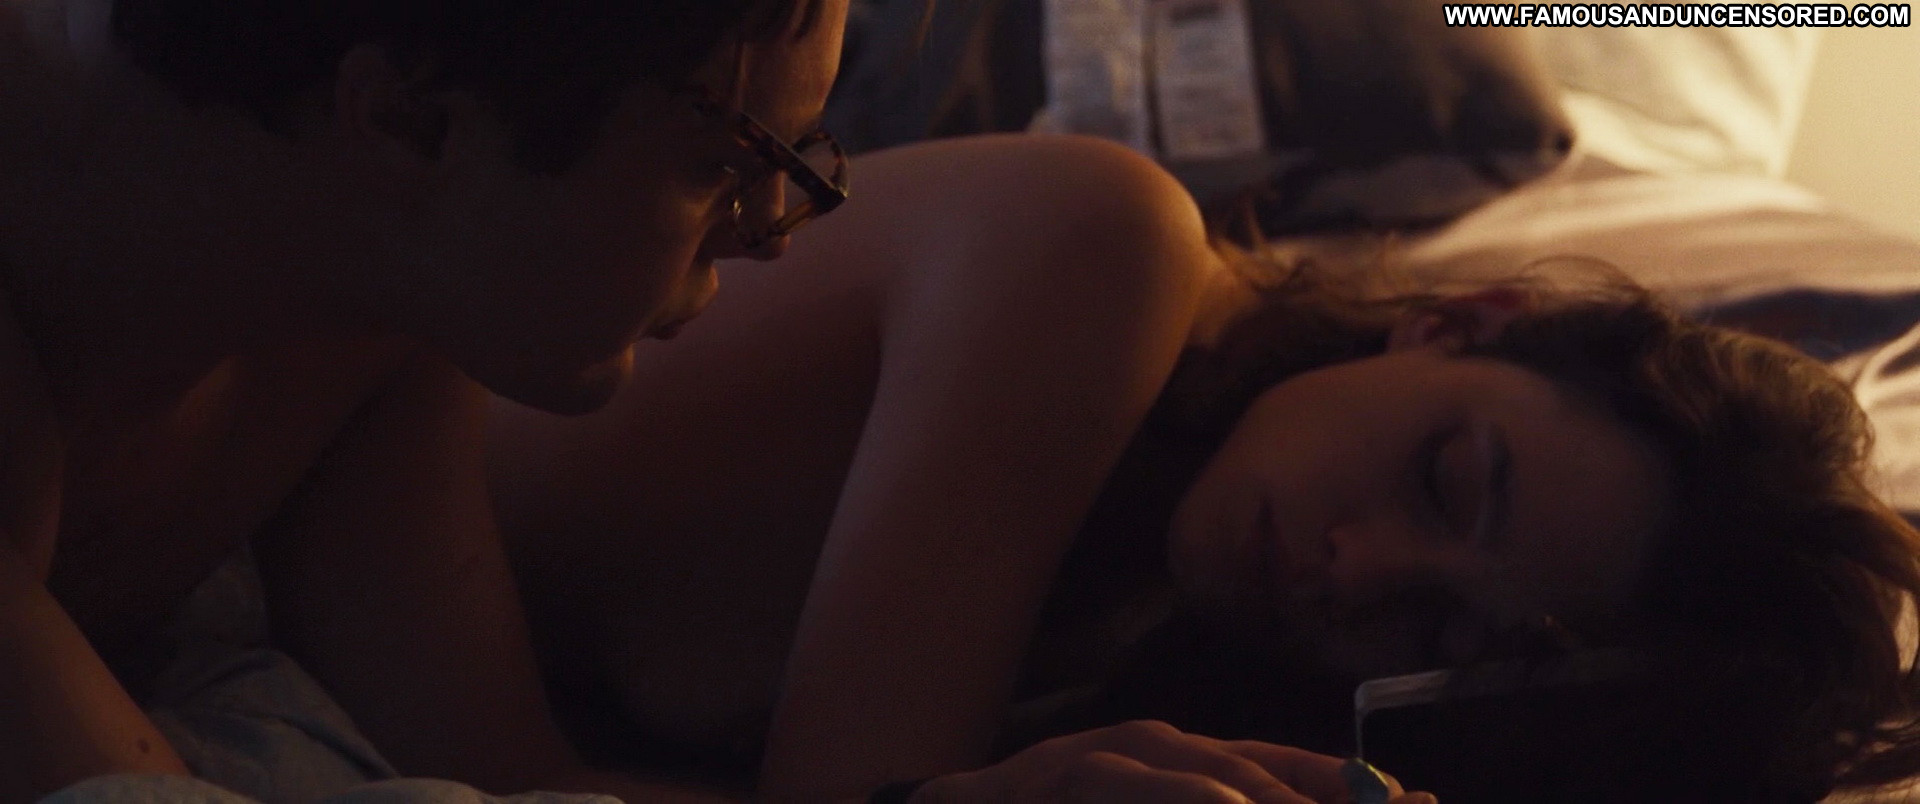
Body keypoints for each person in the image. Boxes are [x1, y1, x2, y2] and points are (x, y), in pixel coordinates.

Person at [2, 1, 1409, 801]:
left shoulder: (377, 305)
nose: (775, 232)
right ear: (413, 119)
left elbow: (513, 774)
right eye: (731, 165)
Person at [488, 133, 1920, 801]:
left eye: (1438, 634)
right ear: (1467, 318)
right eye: (1444, 480)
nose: (1357, 572)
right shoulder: (1101, 248)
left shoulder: (1142, 626)